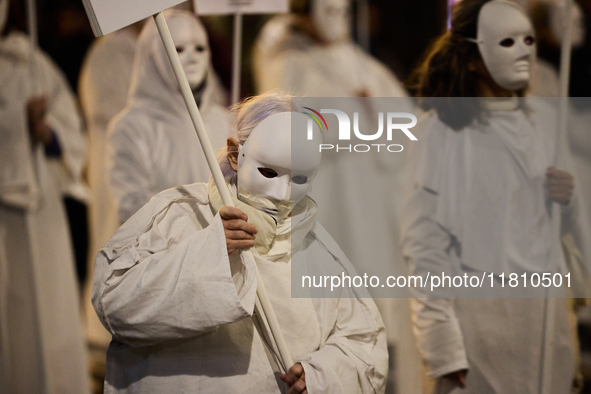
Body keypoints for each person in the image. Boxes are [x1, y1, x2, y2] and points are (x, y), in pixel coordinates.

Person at [92, 92, 388, 393]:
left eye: (299, 179)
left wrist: (320, 376)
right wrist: (209, 251)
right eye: (269, 171)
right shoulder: (180, 214)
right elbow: (115, 302)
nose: (281, 193)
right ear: (236, 154)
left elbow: (364, 345)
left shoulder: (318, 250)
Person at [403, 0, 581, 392]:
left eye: (528, 39)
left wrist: (566, 202)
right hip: (480, 328)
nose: (523, 52)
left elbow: (559, 230)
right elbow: (424, 246)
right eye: (507, 42)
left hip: (542, 320)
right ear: (470, 57)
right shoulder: (440, 131)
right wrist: (442, 346)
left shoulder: (543, 123)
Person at [253, 2, 420, 392]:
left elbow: (405, 125)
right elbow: (287, 123)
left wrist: (375, 116)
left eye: (342, 8)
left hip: (375, 207)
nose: (335, 15)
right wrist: (355, 117)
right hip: (331, 204)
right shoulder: (289, 61)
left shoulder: (365, 63)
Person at [0, 0, 90, 391]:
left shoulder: (32, 63)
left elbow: (72, 132)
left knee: (46, 309)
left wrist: (46, 132)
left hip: (38, 211)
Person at [107, 10, 231, 224]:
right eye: (178, 49)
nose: (192, 58)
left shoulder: (223, 121)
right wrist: (202, 226)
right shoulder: (131, 128)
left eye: (200, 48)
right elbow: (133, 208)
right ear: (154, 55)